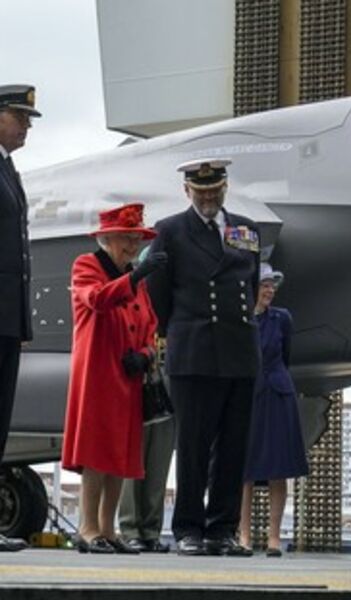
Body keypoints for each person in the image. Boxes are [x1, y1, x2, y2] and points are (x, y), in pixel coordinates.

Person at [147, 157, 260, 557]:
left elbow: (250, 284)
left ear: (225, 188)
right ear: (187, 191)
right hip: (195, 349)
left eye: (214, 190)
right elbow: (158, 293)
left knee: (233, 446)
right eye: (201, 192)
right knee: (194, 446)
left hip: (239, 349)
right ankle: (189, 528)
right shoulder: (170, 231)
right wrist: (179, 332)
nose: (208, 197)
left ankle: (222, 529)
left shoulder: (246, 229)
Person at [61, 203, 167, 554]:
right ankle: (88, 528)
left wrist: (146, 354)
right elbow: (97, 299)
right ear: (106, 239)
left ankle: (108, 528)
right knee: (97, 451)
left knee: (120, 453)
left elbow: (151, 324)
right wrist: (134, 278)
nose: (133, 245)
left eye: (137, 239)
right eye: (126, 238)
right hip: (98, 373)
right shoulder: (87, 265)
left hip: (128, 375)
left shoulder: (135, 277)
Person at [239, 263, 309, 556]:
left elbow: (286, 355)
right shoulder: (240, 318)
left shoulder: (282, 319)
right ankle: (244, 535)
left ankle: (274, 537)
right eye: (264, 285)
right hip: (249, 395)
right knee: (245, 470)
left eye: (271, 286)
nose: (269, 291)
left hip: (278, 394)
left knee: (279, 468)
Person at [0, 85, 41, 552]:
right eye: (19, 117)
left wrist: (21, 324)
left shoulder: (8, 169)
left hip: (7, 318)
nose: (26, 127)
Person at [118, 245, 175, 553]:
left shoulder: (174, 301)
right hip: (137, 382)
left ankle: (151, 529)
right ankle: (130, 527)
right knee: (132, 461)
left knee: (159, 461)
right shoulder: (132, 296)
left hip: (165, 385)